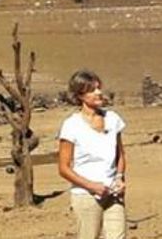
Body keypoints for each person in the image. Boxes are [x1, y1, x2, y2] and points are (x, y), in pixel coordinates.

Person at [58, 69, 127, 239]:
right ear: (80, 95)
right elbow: (63, 168)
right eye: (92, 90)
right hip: (86, 196)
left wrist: (119, 177)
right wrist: (91, 186)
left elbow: (121, 155)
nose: (99, 93)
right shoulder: (71, 125)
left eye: (99, 88)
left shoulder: (113, 118)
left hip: (113, 193)